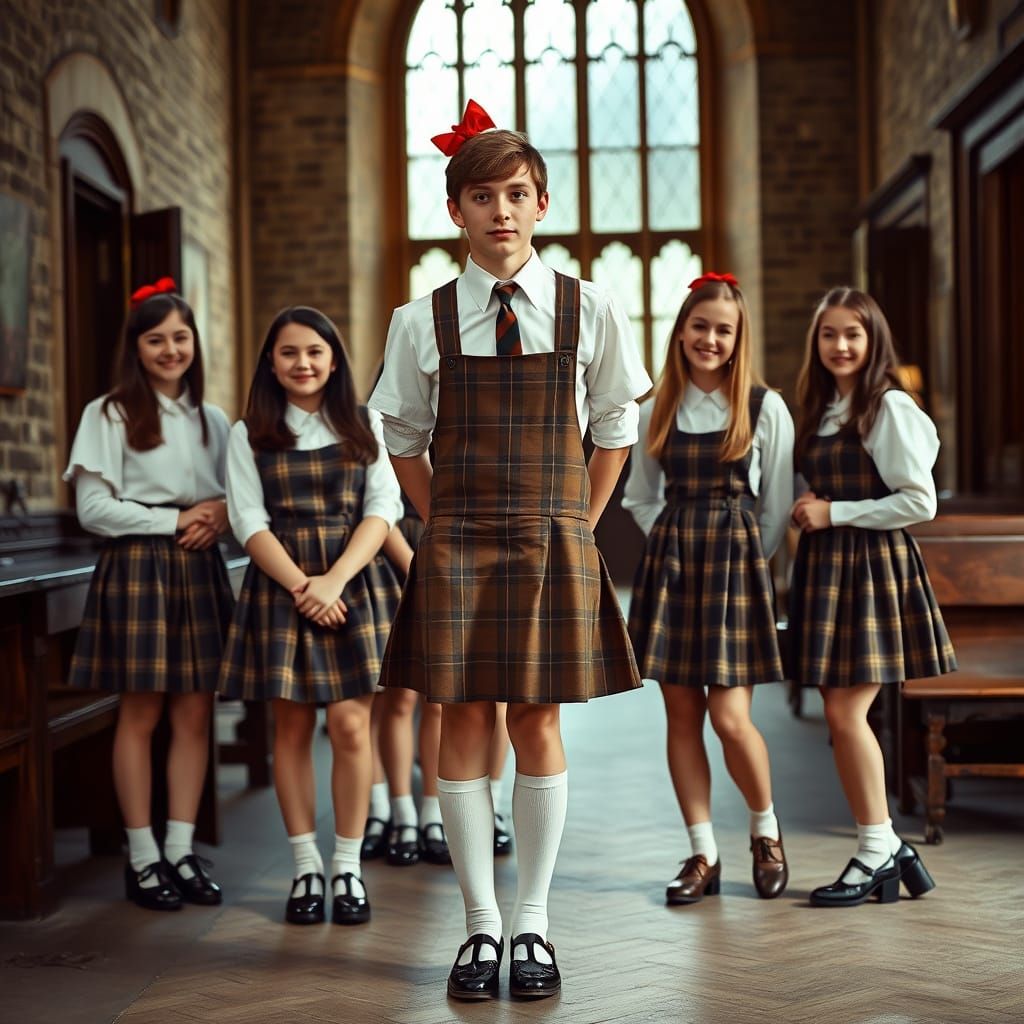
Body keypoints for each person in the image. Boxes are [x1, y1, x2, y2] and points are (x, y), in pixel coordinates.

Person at [370, 99, 651, 1000]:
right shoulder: (419, 321)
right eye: (483, 196)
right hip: (458, 541)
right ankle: (479, 928)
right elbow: (402, 440)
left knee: (535, 720)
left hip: (551, 539)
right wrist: (440, 521)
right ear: (455, 209)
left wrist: (579, 520)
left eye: (517, 193)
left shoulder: (587, 307)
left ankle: (532, 922)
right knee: (462, 720)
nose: (501, 211)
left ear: (542, 204)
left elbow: (615, 427)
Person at [219, 306, 402, 926]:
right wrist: (304, 586)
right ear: (271, 362)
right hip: (283, 588)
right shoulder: (249, 433)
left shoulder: (365, 423)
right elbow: (247, 520)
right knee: (291, 730)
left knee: (351, 727)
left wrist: (334, 580)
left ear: (333, 359)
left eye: (314, 351)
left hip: (352, 584)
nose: (302, 363)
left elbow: (382, 509)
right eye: (289, 352)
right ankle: (304, 866)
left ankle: (347, 866)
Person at [624, 271, 793, 906]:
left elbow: (776, 507)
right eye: (701, 326)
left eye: (725, 330)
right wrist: (674, 538)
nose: (711, 339)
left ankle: (765, 831)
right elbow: (640, 497)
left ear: (739, 337)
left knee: (730, 718)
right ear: (681, 331)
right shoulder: (654, 409)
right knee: (682, 716)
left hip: (735, 571)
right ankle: (702, 852)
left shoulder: (764, 407)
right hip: (673, 570)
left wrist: (744, 559)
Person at [64, 277, 233, 911]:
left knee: (194, 714)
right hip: (138, 566)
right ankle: (141, 857)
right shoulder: (108, 413)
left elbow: (237, 497)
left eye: (180, 337)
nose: (170, 350)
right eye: (156, 339)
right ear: (135, 347)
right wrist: (177, 519)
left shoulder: (213, 419)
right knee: (140, 714)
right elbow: (93, 509)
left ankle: (181, 850)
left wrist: (220, 514)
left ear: (194, 343)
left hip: (199, 568)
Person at [788, 286, 955, 907]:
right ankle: (886, 847)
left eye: (852, 334)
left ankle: (878, 849)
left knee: (844, 714)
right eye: (828, 334)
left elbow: (920, 501)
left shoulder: (889, 406)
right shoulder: (824, 406)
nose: (840, 345)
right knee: (841, 713)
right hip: (830, 568)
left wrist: (835, 512)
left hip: (870, 568)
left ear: (872, 339)